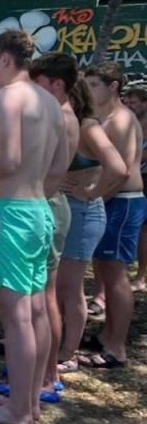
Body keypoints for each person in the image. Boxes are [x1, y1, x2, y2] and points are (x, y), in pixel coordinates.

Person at [0, 30, 69, 424]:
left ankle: (19, 409)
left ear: (5, 58)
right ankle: (31, 399)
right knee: (37, 308)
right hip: (41, 208)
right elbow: (57, 166)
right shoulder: (52, 103)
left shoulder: (8, 96)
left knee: (16, 316)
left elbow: (10, 160)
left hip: (12, 210)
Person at [30, 53, 123, 398]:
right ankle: (51, 357)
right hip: (64, 208)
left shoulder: (86, 125)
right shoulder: (67, 120)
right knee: (56, 290)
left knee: (67, 290)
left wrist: (90, 192)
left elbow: (118, 167)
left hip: (82, 213)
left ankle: (66, 354)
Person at [77, 62, 144, 368]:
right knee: (104, 271)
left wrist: (93, 198)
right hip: (110, 200)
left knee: (116, 276)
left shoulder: (121, 120)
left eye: (94, 85)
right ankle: (106, 335)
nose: (89, 92)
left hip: (122, 201)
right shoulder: (103, 118)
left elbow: (122, 170)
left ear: (113, 86)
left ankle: (116, 347)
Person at [123, 86, 147, 293]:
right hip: (132, 178)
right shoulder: (128, 124)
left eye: (134, 102)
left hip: (143, 179)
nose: (130, 106)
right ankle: (139, 275)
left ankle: (141, 275)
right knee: (141, 232)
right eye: (127, 102)